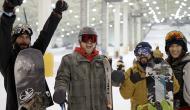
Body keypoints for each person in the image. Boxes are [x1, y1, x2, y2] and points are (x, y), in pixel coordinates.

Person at [0, 0, 68, 110]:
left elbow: (45, 35)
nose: (24, 40)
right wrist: (8, 11)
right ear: (14, 40)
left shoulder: (34, 55)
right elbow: (4, 35)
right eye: (21, 37)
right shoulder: (7, 59)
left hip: (38, 106)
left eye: (27, 38)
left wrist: (56, 14)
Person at [53, 27, 113, 110]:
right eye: (86, 38)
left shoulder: (103, 61)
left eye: (93, 39)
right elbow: (62, 79)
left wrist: (117, 76)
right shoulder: (69, 60)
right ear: (80, 41)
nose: (89, 42)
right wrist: (60, 89)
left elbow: (111, 81)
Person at [119, 42, 179, 110]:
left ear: (151, 53)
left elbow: (175, 88)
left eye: (145, 51)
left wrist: (164, 69)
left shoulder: (161, 67)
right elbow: (125, 95)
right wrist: (131, 81)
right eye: (138, 53)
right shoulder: (131, 72)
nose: (142, 55)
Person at [165, 30, 190, 110]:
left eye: (178, 46)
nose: (174, 49)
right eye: (171, 46)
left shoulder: (188, 65)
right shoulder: (166, 64)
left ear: (183, 47)